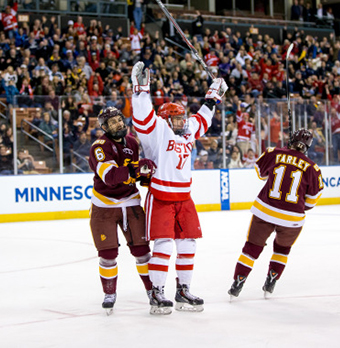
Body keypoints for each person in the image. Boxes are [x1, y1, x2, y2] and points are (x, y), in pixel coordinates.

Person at [131, 61, 228, 314]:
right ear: (166, 119)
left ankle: (183, 290)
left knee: (188, 244)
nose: (183, 123)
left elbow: (202, 119)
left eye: (183, 118)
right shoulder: (158, 131)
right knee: (163, 244)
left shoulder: (186, 132)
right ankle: (157, 293)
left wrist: (213, 96)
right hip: (161, 197)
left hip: (184, 198)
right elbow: (143, 117)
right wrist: (141, 90)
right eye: (177, 119)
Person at [228, 129, 324, 299]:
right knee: (282, 249)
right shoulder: (312, 168)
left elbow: (260, 173)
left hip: (265, 210)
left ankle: (238, 282)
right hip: (292, 218)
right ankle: (271, 281)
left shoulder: (274, 152)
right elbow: (311, 202)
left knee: (252, 248)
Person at [88, 106, 157, 315]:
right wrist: (137, 169)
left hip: (131, 202)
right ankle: (109, 293)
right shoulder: (99, 147)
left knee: (142, 251)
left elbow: (138, 175)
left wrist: (146, 175)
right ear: (105, 128)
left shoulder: (133, 142)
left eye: (119, 119)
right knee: (108, 254)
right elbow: (109, 177)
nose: (118, 124)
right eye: (113, 122)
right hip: (104, 206)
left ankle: (152, 291)